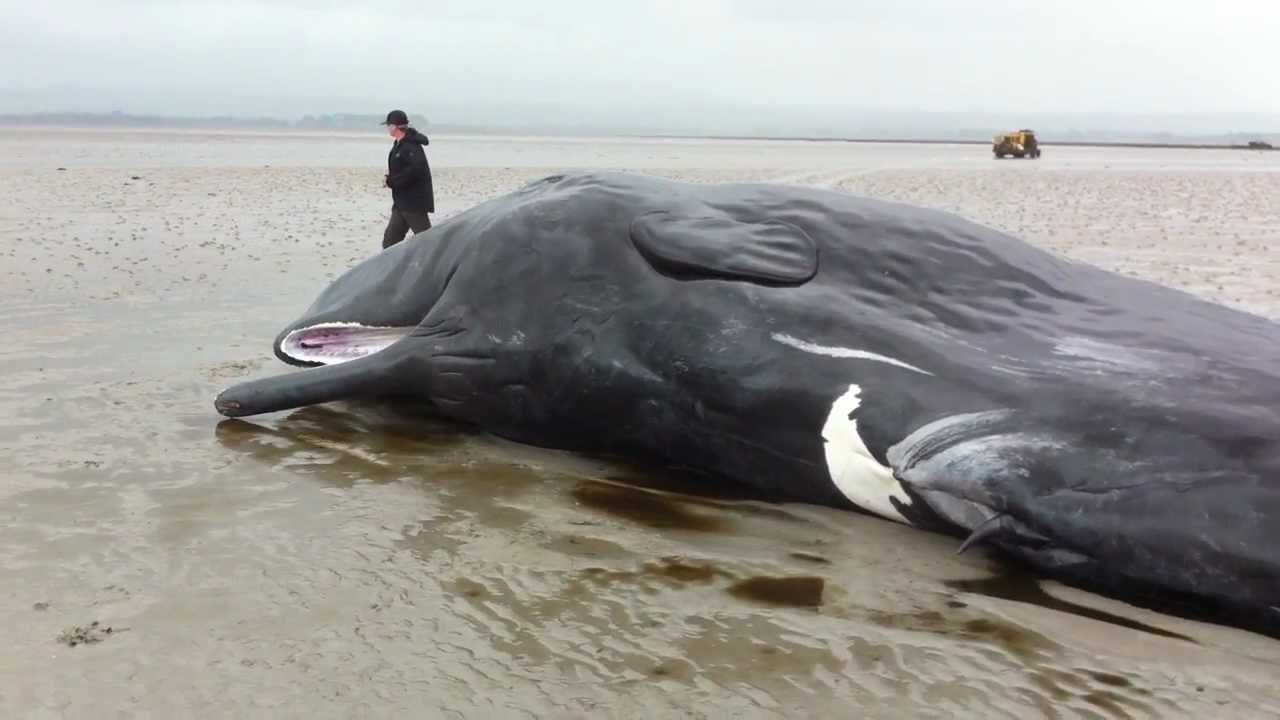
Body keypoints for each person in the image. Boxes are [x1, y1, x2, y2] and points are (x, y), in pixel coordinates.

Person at [380, 109, 435, 249]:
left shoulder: (411, 145)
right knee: (389, 243)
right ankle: (391, 269)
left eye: (388, 125)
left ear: (394, 126)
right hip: (400, 203)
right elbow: (403, 170)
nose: (387, 128)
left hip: (413, 203)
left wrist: (392, 181)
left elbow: (416, 171)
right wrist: (390, 179)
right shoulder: (399, 144)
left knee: (427, 242)